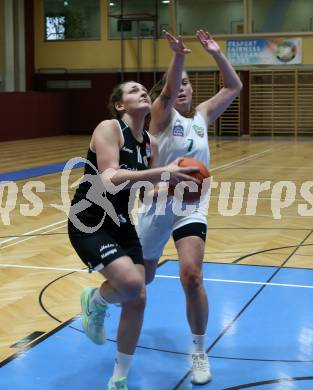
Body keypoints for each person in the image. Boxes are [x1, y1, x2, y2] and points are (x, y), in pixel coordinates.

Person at [67, 80, 200, 390]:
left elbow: (148, 193)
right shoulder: (109, 128)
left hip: (121, 222)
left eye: (144, 89)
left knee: (138, 294)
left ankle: (119, 377)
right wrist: (159, 173)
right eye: (133, 90)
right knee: (131, 284)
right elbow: (110, 178)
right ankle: (98, 301)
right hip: (89, 221)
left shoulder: (149, 144)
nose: (142, 92)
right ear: (120, 105)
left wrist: (175, 189)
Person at [137, 30, 242, 385]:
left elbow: (233, 88)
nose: (180, 88)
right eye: (175, 83)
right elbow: (166, 91)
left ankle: (198, 351)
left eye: (186, 83)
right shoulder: (161, 115)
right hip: (155, 205)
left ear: (193, 88)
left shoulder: (200, 117)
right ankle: (99, 300)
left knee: (191, 276)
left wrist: (216, 52)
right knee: (141, 280)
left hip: (190, 207)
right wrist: (179, 55)